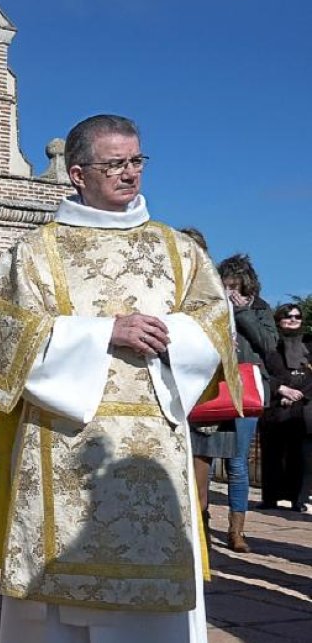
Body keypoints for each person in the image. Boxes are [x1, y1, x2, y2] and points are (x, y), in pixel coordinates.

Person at [0, 115, 241, 642]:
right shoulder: (37, 252)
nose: (130, 174)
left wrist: (169, 333)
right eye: (114, 164)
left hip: (154, 444)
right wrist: (104, 333)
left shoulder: (178, 249)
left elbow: (215, 325)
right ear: (78, 173)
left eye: (136, 161)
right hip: (63, 442)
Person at [176, 228, 236, 545]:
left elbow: (225, 341)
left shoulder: (213, 293)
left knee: (200, 477)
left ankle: (198, 540)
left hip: (202, 395)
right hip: (172, 393)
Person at [218, 254, 277, 552]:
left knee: (238, 462)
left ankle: (236, 531)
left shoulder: (260, 309)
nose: (231, 293)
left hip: (246, 392)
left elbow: (269, 346)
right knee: (201, 461)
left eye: (236, 287)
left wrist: (243, 315)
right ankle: (199, 523)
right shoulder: (211, 307)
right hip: (215, 389)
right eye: (226, 286)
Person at [260, 303, 311, 511]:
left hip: (302, 409)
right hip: (274, 406)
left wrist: (297, 395)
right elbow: (261, 372)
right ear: (279, 319)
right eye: (288, 316)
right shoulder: (270, 344)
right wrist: (280, 389)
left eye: (297, 316)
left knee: (299, 457)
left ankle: (298, 500)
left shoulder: (309, 345)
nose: (293, 319)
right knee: (271, 455)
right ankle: (270, 498)